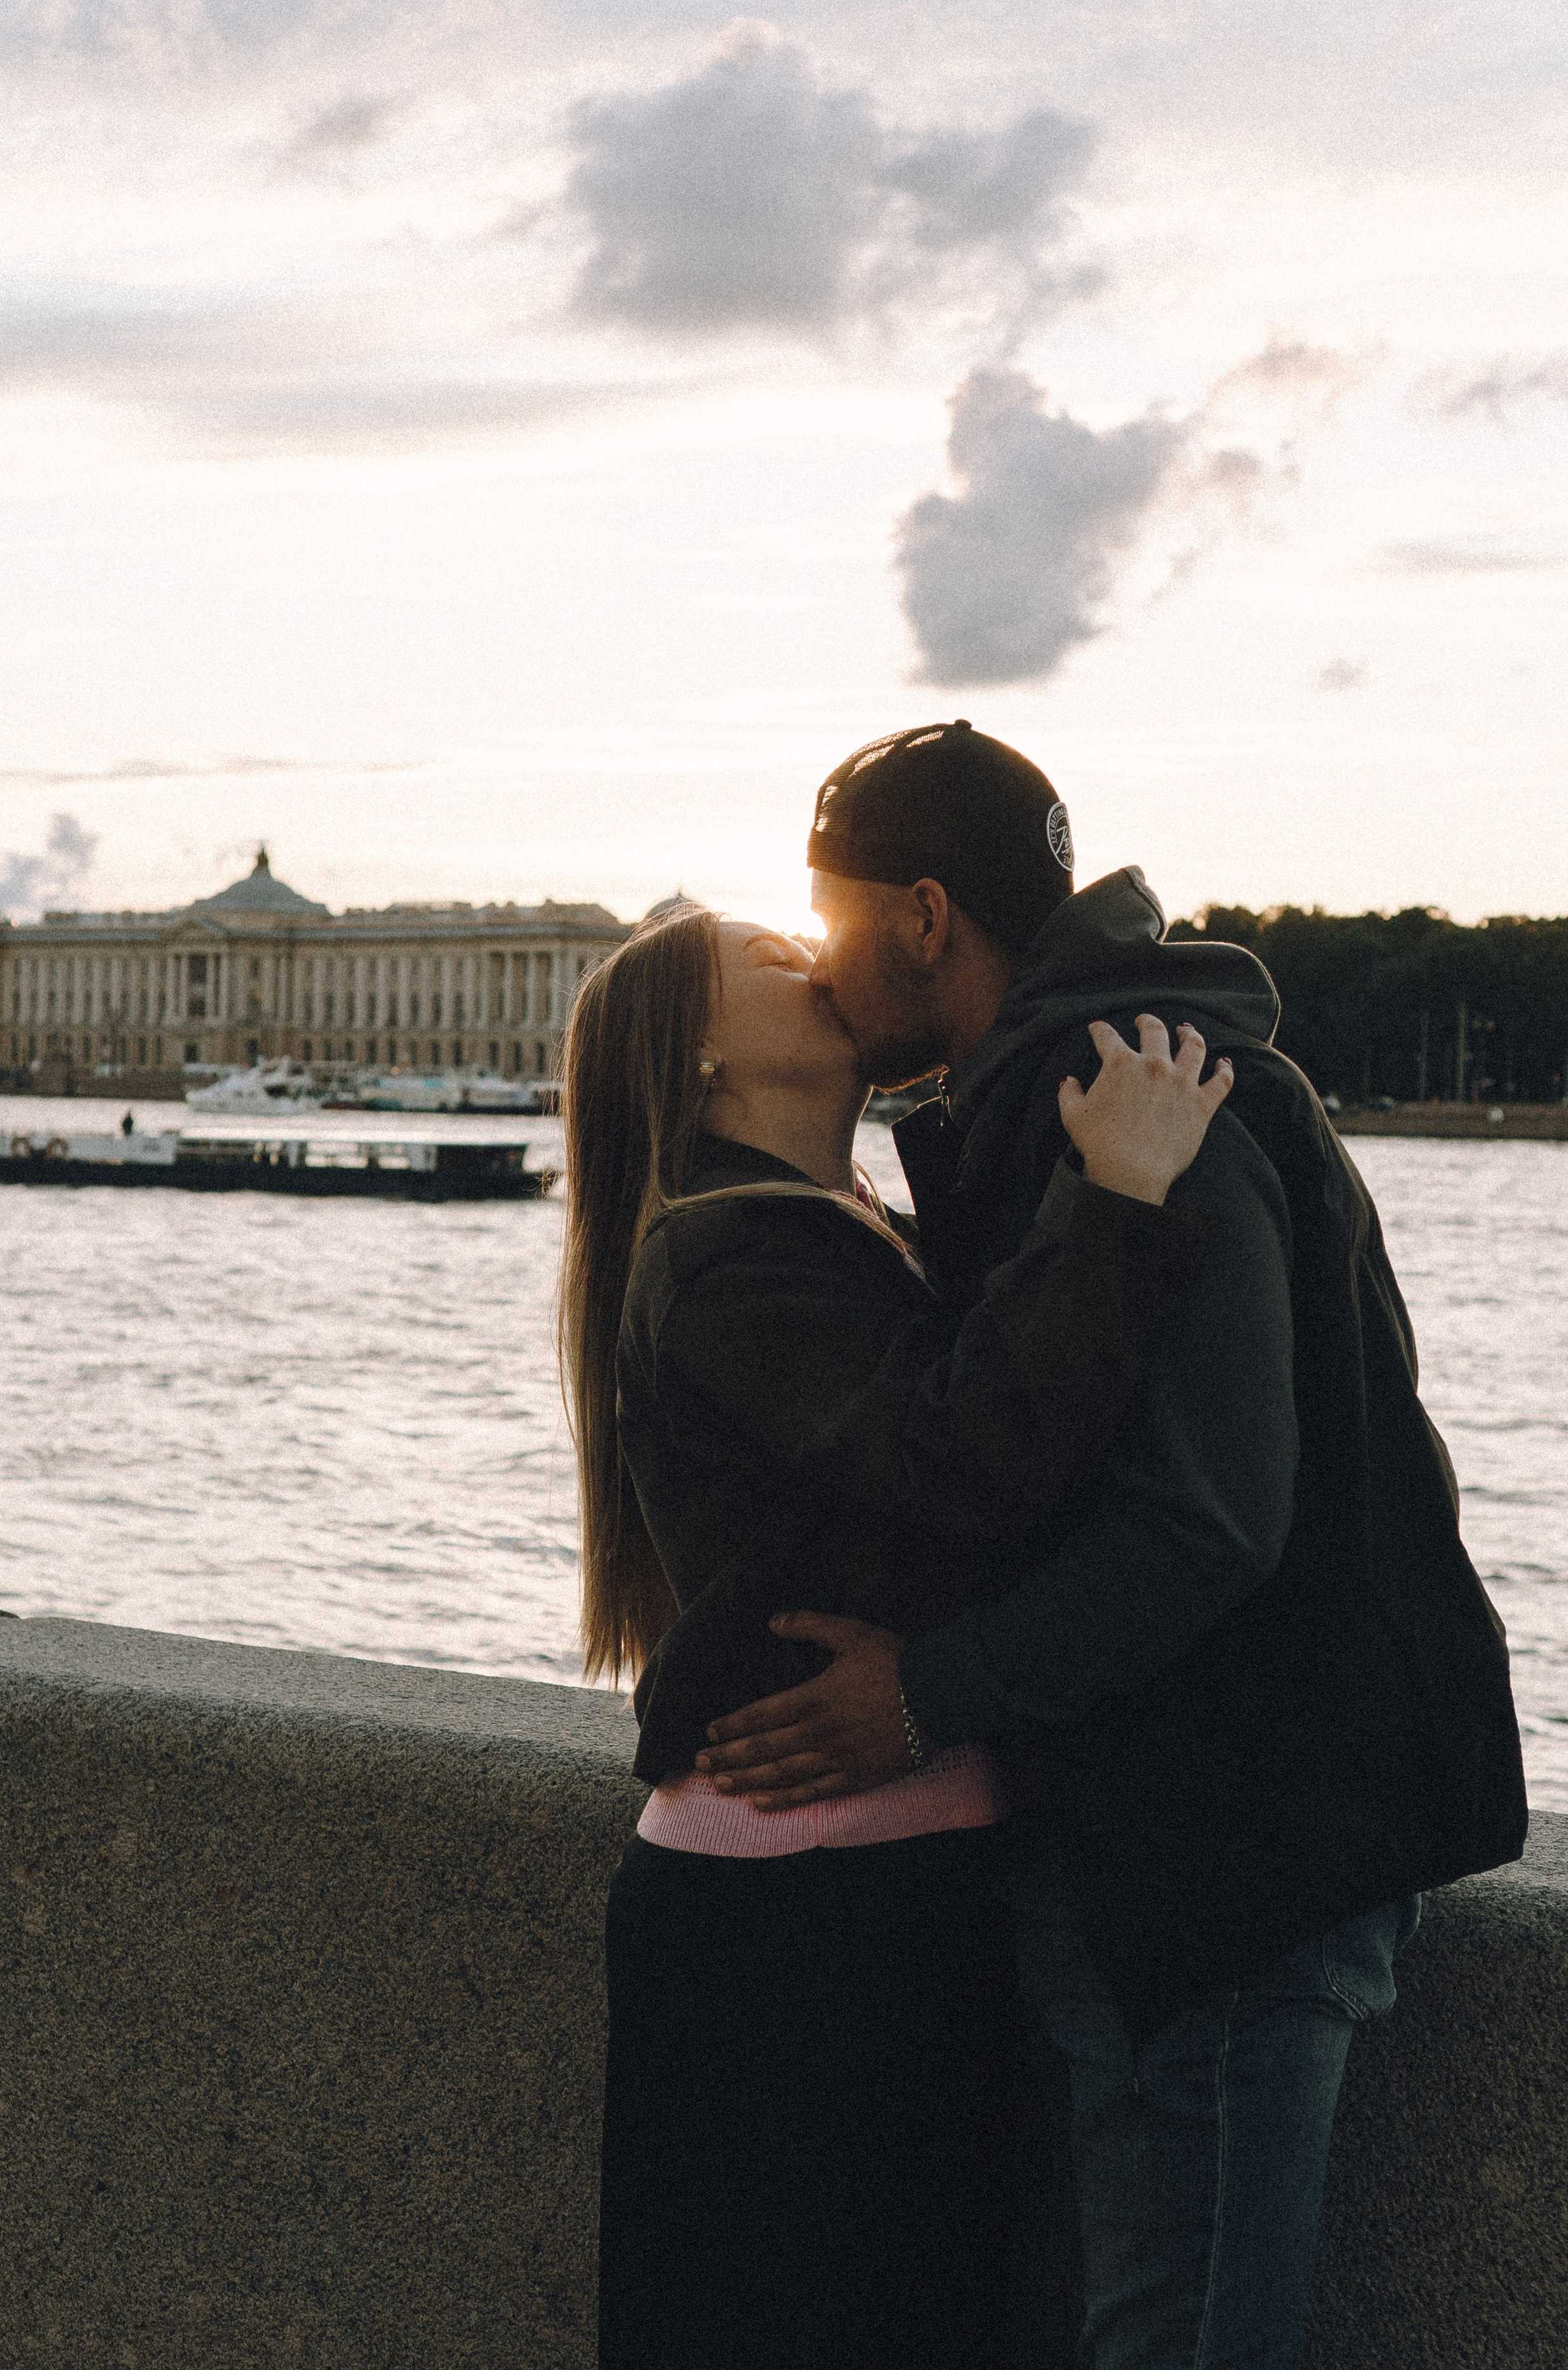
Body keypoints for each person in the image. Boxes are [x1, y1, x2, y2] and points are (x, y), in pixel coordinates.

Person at [697, 719, 1530, 2369]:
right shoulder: (1100, 1090)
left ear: (925, 915)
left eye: (831, 912)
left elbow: (1208, 1519)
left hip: (1227, 1843)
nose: (815, 958)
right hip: (1202, 1828)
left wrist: (928, 1695)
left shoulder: (1141, 1100)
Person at [557, 901, 1235, 2370]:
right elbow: (968, 1460)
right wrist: (1119, 1195)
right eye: (770, 961)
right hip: (795, 1918)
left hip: (864, 1888)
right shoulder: (730, 1257)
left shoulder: (832, 1227)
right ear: (697, 1072)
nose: (816, 957)